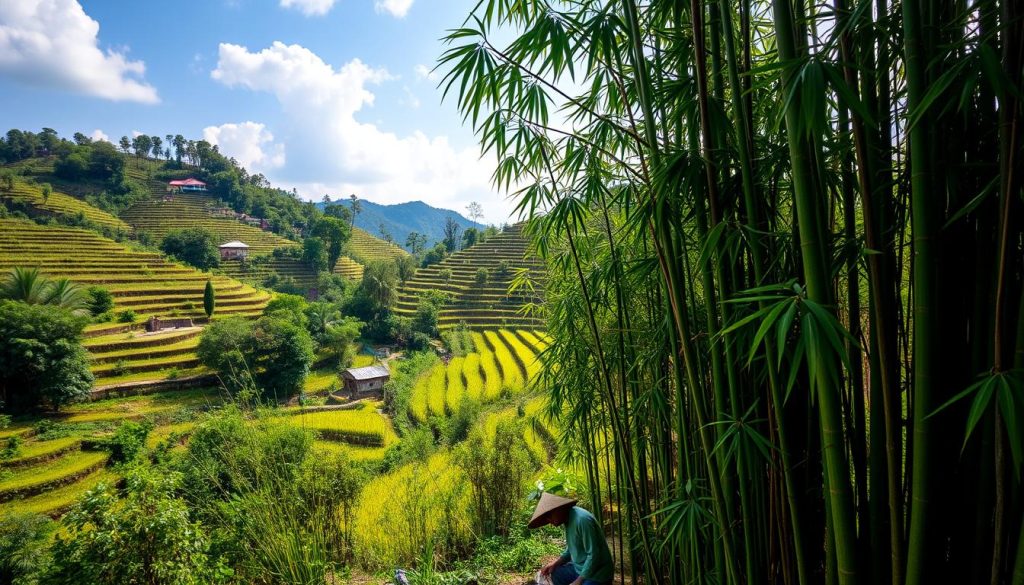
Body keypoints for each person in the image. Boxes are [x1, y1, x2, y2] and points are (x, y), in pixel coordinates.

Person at [529, 492, 614, 585]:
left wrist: (578, 581)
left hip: (597, 574)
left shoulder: (582, 520)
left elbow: (594, 555)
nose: (549, 521)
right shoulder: (567, 520)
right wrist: (555, 563)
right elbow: (571, 548)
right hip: (579, 569)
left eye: (549, 516)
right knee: (555, 574)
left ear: (558, 509)